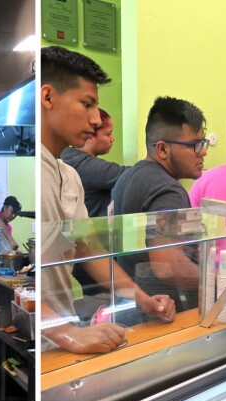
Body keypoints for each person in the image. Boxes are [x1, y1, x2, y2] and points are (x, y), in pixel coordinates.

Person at [40, 46, 175, 354]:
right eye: (86, 104)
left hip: (63, 334)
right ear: (48, 98)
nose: (95, 120)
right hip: (53, 337)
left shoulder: (69, 174)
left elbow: (89, 249)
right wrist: (68, 335)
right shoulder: (38, 168)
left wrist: (143, 300)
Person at [111, 96, 208, 311]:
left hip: (133, 305)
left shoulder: (129, 176)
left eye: (203, 143)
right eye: (194, 145)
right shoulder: (168, 191)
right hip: (164, 311)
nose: (203, 152)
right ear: (162, 149)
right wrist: (220, 280)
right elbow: (168, 267)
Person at [61, 107, 127, 218]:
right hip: (93, 234)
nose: (112, 138)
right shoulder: (83, 165)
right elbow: (130, 174)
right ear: (90, 136)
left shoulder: (71, 158)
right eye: (108, 134)